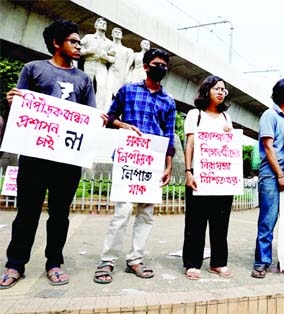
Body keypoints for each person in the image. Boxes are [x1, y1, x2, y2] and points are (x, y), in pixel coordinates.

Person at [1, 19, 97, 289]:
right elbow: (21, 114)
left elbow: (89, 114)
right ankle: (15, 264)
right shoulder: (33, 69)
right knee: (26, 213)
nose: (79, 46)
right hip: (35, 158)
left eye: (79, 42)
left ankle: (54, 263)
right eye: (73, 41)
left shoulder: (84, 79)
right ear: (57, 43)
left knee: (60, 215)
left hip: (68, 159)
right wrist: (14, 102)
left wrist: (98, 118)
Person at [93, 48, 176, 284]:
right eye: (158, 64)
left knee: (146, 214)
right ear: (147, 66)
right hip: (128, 160)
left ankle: (135, 259)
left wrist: (168, 165)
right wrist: (123, 126)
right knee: (122, 212)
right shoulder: (128, 91)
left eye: (165, 65)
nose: (162, 68)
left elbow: (168, 136)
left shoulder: (168, 101)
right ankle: (107, 261)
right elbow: (108, 119)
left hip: (153, 163)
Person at [182, 75, 235, 280]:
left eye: (223, 90)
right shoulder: (195, 115)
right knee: (195, 221)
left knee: (220, 221)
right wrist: (188, 171)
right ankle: (192, 263)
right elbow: (190, 144)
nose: (221, 92)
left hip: (222, 177)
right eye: (217, 89)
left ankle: (218, 262)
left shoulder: (226, 117)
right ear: (207, 91)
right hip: (200, 175)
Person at [251, 78, 284, 279]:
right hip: (272, 176)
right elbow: (268, 146)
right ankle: (261, 262)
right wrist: (280, 175)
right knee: (268, 221)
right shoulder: (269, 115)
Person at [80, 17, 115, 112]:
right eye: (100, 22)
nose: (103, 24)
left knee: (101, 86)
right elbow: (78, 49)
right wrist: (87, 51)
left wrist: (106, 57)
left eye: (105, 23)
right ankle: (83, 107)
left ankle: (98, 110)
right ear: (95, 25)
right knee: (87, 84)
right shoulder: (88, 37)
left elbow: (113, 59)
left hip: (101, 65)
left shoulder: (109, 42)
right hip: (89, 62)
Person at [106, 27, 133, 106]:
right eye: (115, 32)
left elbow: (130, 66)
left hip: (122, 74)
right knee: (108, 92)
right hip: (111, 71)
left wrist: (127, 77)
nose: (117, 33)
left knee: (120, 94)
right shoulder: (108, 46)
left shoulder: (127, 50)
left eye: (119, 32)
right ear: (111, 35)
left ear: (121, 36)